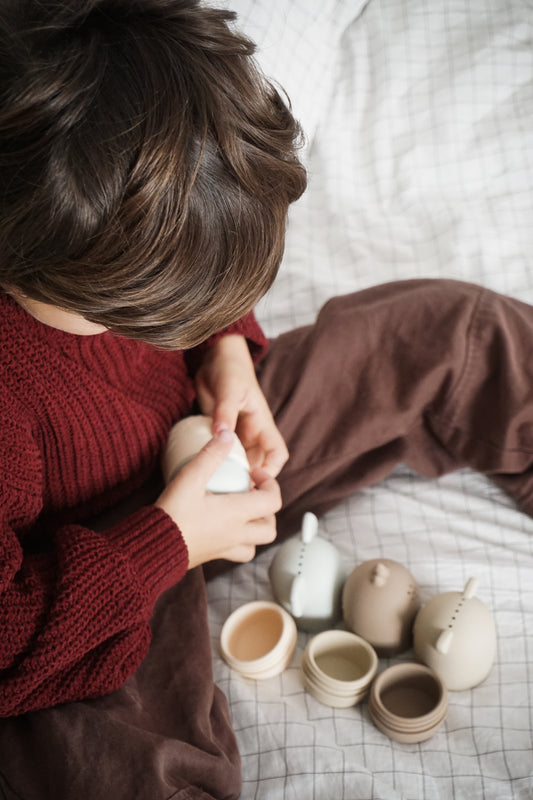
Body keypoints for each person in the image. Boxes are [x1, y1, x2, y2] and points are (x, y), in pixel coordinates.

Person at [2, 2, 533, 799]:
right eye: (161, 315)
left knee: (454, 335)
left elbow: (193, 259)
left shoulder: (113, 109)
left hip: (204, 432)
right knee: (111, 771)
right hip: (99, 571)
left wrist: (226, 350)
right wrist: (171, 541)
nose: (181, 324)